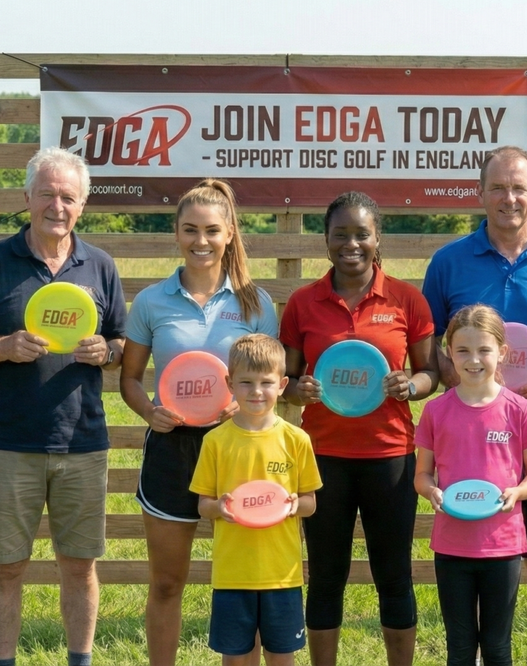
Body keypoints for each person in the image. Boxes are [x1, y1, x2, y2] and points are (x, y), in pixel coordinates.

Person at [0, 147, 127, 666]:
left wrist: (106, 352)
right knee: (7, 567)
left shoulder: (100, 265)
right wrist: (4, 347)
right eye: (47, 194)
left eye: (68, 196)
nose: (57, 206)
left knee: (80, 565)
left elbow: (120, 342)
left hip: (82, 442)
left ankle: (80, 660)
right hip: (8, 443)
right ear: (26, 197)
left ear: (83, 204)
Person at [421, 145, 527, 666]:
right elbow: (425, 340)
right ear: (480, 193)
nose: (508, 198)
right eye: (498, 187)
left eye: (518, 188)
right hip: (468, 449)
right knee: (472, 568)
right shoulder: (449, 262)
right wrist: (453, 374)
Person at [119, 179, 277, 666]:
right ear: (176, 233)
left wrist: (244, 409)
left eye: (211, 230)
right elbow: (129, 379)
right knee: (167, 583)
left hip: (240, 450)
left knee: (245, 584)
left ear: (229, 234)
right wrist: (150, 412)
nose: (200, 241)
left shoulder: (255, 303)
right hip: (173, 451)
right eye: (190, 230)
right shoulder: (151, 301)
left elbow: (271, 383)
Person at [280, 191, 438, 666]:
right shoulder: (303, 302)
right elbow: (286, 381)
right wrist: (301, 390)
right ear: (325, 240)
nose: (351, 244)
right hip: (323, 457)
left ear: (377, 238)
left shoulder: (406, 299)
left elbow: (431, 373)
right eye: (340, 234)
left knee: (394, 575)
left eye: (361, 234)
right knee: (326, 576)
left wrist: (409, 385)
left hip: (390, 457)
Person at [414, 305, 527, 666]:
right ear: (449, 353)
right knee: (459, 645)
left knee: (497, 645)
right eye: (463, 350)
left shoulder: (519, 409)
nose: (473, 360)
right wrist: (430, 490)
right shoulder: (435, 411)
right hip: (452, 546)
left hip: (502, 546)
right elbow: (422, 474)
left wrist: (517, 492)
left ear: (502, 352)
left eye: (484, 350)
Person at [192, 334, 322, 666]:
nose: (257, 391)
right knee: (235, 657)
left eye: (266, 382)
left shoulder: (297, 439)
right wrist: (219, 508)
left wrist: (295, 505)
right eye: (246, 382)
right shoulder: (215, 442)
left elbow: (310, 502)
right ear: (229, 384)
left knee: (281, 655)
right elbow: (203, 505)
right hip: (233, 573)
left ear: (282, 385)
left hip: (282, 574)